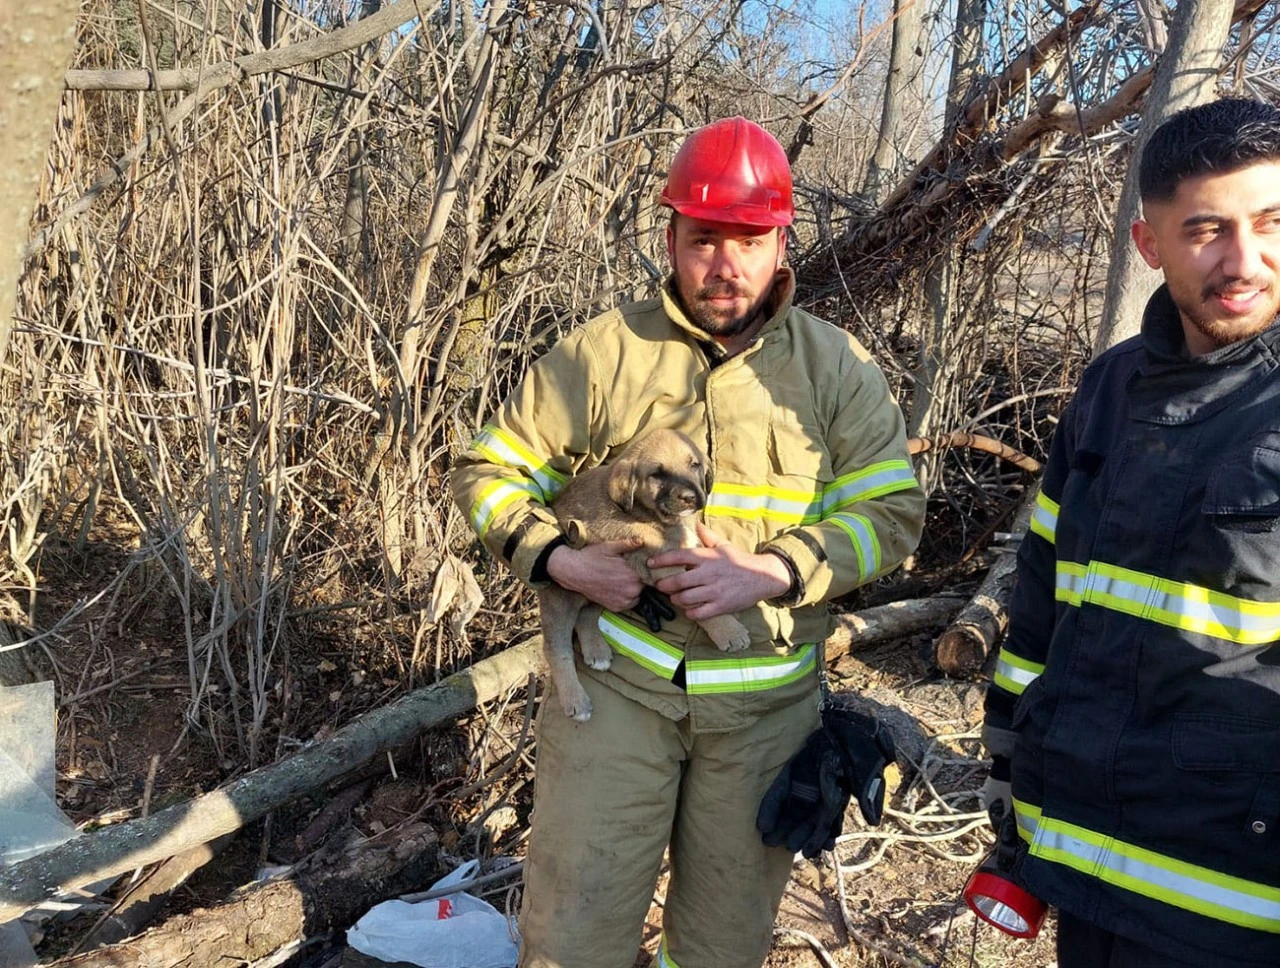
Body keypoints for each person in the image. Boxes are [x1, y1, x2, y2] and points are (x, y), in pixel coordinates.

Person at [451, 116, 924, 968]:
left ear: (782, 243)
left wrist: (776, 571)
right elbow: (488, 475)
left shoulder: (837, 369)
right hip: (616, 694)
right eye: (704, 238)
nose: (725, 263)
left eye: (748, 239)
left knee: (719, 948)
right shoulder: (603, 352)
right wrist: (560, 560)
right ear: (671, 237)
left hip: (765, 715)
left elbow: (892, 517)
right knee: (572, 937)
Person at [981, 97, 1280, 968]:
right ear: (1150, 247)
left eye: (1270, 223)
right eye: (1205, 230)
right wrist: (1010, 773)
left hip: (1234, 895)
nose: (1244, 260)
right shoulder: (1110, 388)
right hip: (1086, 856)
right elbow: (1044, 603)